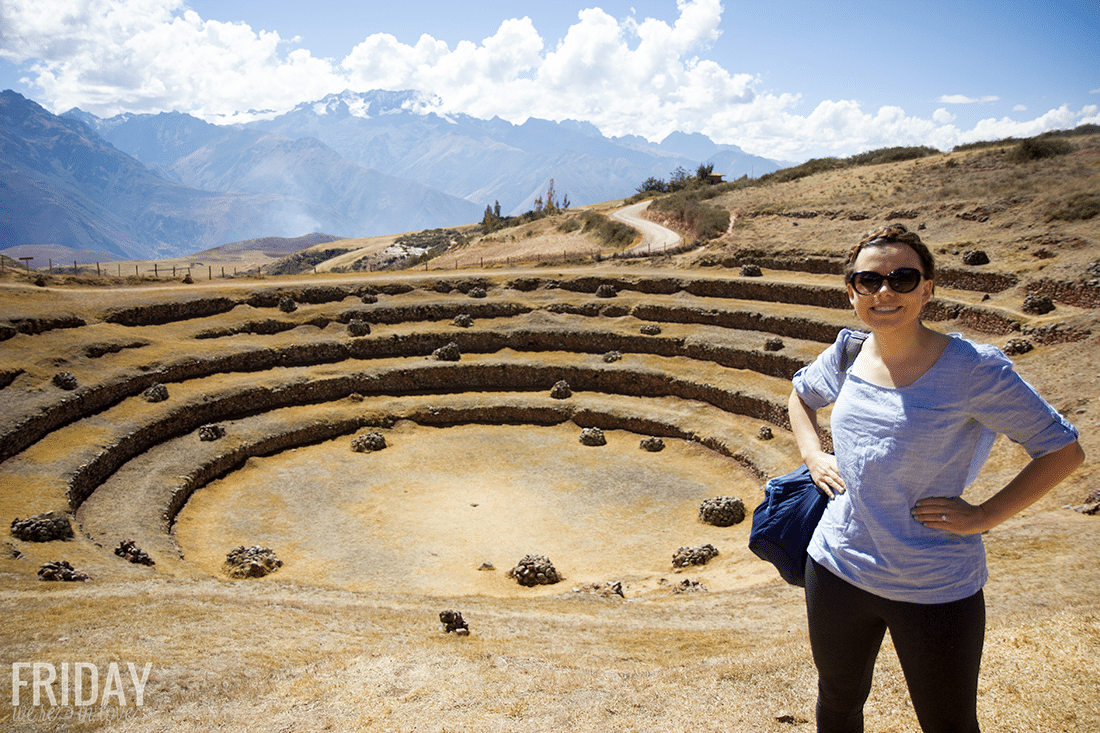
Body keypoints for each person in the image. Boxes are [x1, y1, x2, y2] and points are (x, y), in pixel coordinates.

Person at [787, 223, 1084, 733]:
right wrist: (814, 455)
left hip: (934, 583)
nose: (885, 292)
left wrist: (984, 515)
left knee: (947, 722)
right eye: (869, 280)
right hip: (837, 567)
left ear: (927, 288)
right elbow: (800, 397)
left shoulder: (973, 368)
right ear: (852, 291)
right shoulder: (848, 352)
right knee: (837, 703)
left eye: (903, 278)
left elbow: (1061, 450)